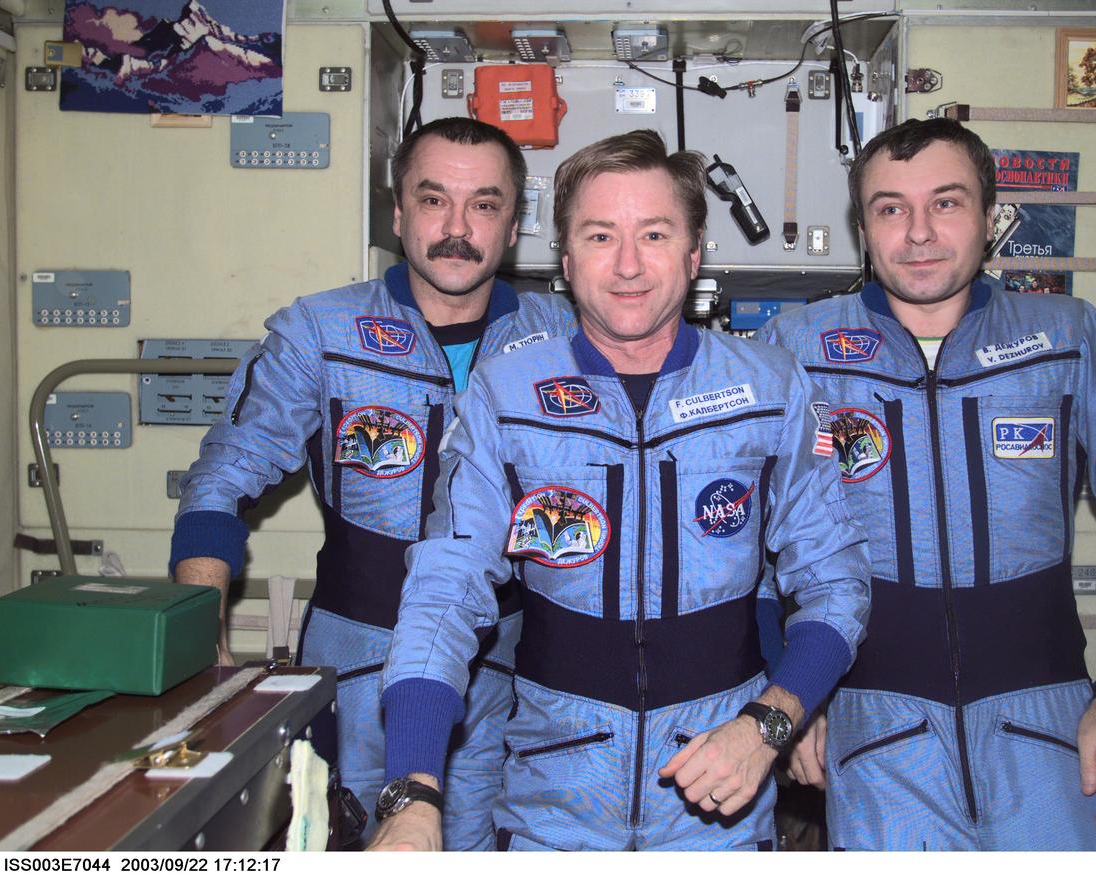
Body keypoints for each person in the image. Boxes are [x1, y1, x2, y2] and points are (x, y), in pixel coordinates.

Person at [368, 129, 871, 852]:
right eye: (601, 235)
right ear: (564, 261)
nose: (629, 264)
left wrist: (770, 722)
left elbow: (837, 583)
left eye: (655, 234)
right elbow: (445, 591)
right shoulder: (508, 394)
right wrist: (412, 791)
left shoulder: (768, 389)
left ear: (695, 254)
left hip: (718, 798)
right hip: (552, 801)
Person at [757, 117, 1096, 850]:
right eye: (890, 207)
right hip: (873, 733)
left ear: (990, 217)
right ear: (863, 225)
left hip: (1052, 731)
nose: (919, 232)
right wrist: (790, 687)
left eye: (947, 203)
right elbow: (751, 545)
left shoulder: (1069, 336)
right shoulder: (796, 351)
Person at [169, 117, 576, 848]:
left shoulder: (564, 342)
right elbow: (225, 474)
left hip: (510, 660)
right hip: (362, 655)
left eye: (484, 204)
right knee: (358, 838)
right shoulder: (321, 333)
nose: (457, 227)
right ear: (396, 213)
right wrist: (205, 624)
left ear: (514, 226)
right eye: (433, 200)